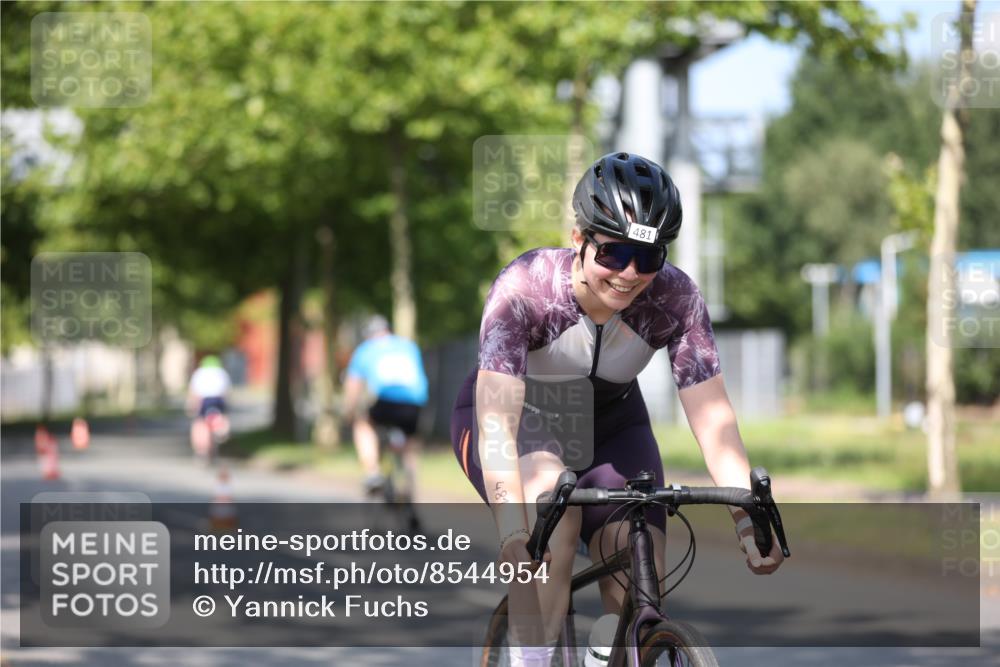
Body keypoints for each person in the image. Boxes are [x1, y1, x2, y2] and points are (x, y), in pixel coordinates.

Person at [451, 152, 785, 666]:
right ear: (577, 238)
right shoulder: (526, 287)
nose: (630, 274)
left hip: (612, 423)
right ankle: (531, 657)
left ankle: (615, 649)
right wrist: (514, 533)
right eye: (613, 254)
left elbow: (714, 418)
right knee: (551, 525)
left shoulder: (676, 297)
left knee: (637, 549)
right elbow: (497, 420)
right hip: (517, 419)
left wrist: (748, 518)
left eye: (649, 258)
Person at [342, 315, 428, 496]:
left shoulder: (366, 350)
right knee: (409, 448)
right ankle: (409, 492)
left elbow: (353, 385)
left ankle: (373, 472)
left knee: (363, 424)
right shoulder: (408, 346)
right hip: (414, 404)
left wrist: (349, 411)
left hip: (387, 402)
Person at [187, 354, 232, 457]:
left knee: (200, 423)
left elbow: (194, 392)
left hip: (204, 400)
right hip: (218, 399)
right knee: (222, 416)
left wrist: (191, 406)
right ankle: (222, 430)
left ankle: (201, 448)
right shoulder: (222, 373)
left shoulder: (199, 373)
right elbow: (227, 391)